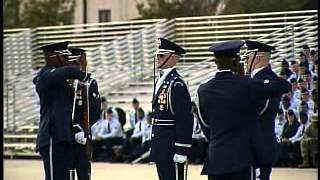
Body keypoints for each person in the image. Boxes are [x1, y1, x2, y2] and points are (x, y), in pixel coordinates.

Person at [196, 40, 291, 180]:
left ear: (216, 62)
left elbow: (205, 124)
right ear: (236, 61)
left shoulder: (203, 89)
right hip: (242, 158)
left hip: (216, 157)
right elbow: (283, 86)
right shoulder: (247, 85)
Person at [34, 41, 91, 180]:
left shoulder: (59, 80)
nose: (67, 61)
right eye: (64, 57)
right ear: (53, 57)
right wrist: (82, 73)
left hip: (63, 137)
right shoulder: (45, 76)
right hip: (53, 136)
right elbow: (69, 71)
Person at [245, 40, 292, 180]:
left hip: (261, 144)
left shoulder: (268, 79)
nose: (246, 61)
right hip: (250, 144)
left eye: (248, 57)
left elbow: (285, 85)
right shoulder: (252, 78)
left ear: (257, 57)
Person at [150, 37, 194, 180]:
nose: (157, 58)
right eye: (156, 55)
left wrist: (182, 148)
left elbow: (184, 119)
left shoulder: (176, 84)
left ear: (173, 58)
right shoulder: (161, 81)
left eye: (161, 55)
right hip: (161, 147)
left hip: (171, 148)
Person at [68, 48, 101, 180]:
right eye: (71, 64)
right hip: (65, 136)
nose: (73, 67)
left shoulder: (89, 83)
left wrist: (81, 128)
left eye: (76, 63)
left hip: (82, 136)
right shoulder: (63, 83)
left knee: (84, 174)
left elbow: (95, 112)